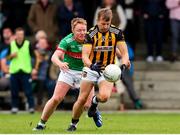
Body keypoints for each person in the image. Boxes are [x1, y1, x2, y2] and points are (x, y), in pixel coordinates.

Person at [67, 7, 130, 131]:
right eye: (102, 23)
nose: (105, 26)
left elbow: (124, 53)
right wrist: (91, 65)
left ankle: (94, 104)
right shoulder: (90, 34)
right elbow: (84, 55)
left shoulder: (117, 32)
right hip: (91, 68)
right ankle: (73, 123)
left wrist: (123, 65)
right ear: (97, 21)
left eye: (107, 23)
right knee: (82, 99)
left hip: (107, 69)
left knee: (105, 97)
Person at [33, 18, 93, 131]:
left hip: (85, 73)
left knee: (87, 105)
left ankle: (73, 124)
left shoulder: (91, 39)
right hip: (68, 72)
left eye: (84, 30)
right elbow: (54, 57)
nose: (82, 33)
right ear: (73, 30)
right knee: (56, 98)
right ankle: (41, 124)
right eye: (79, 30)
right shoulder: (67, 41)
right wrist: (60, 64)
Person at [6, 27, 36, 114]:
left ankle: (31, 107)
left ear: (23, 35)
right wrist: (11, 56)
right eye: (18, 34)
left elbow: (33, 56)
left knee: (28, 91)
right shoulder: (11, 44)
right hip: (14, 71)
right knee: (14, 91)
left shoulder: (28, 44)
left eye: (21, 34)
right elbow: (7, 58)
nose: (20, 36)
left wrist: (34, 68)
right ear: (15, 35)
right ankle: (14, 107)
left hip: (26, 71)